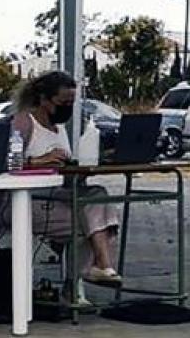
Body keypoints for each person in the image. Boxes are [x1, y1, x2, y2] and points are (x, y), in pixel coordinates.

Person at [10, 71, 122, 286]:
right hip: (27, 199)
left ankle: (99, 268)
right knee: (94, 227)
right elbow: (6, 164)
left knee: (99, 197)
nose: (67, 108)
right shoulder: (23, 123)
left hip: (60, 196)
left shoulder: (59, 128)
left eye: (72, 102)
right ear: (43, 99)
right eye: (63, 102)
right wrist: (38, 161)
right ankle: (85, 277)